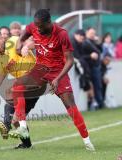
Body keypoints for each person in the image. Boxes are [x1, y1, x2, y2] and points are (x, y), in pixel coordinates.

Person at [15, 9, 95, 151]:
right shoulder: (34, 26)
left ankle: (88, 142)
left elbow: (70, 60)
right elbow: (24, 33)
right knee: (17, 87)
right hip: (40, 69)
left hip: (58, 71)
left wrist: (58, 79)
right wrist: (20, 43)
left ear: (48, 22)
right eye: (36, 26)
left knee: (70, 105)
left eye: (41, 26)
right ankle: (22, 127)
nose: (38, 29)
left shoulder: (61, 34)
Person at [82, 27, 103, 109]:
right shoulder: (85, 42)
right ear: (87, 33)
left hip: (96, 66)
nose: (93, 35)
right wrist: (91, 56)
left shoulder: (93, 42)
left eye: (94, 33)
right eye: (91, 33)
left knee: (98, 85)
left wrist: (99, 43)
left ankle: (99, 102)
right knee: (93, 86)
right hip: (90, 67)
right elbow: (82, 55)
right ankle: (97, 103)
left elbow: (100, 51)